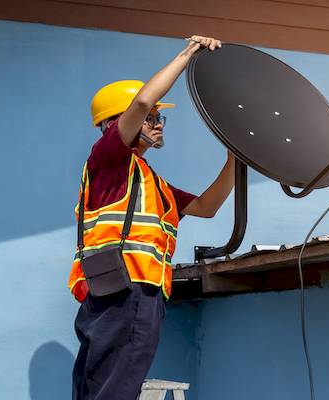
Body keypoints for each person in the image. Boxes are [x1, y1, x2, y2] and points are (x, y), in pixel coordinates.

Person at [69, 35, 231, 400]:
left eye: (160, 117)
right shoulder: (108, 160)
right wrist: (188, 54)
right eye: (152, 117)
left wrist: (233, 161)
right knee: (114, 388)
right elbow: (142, 100)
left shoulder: (149, 180)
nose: (158, 122)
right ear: (117, 123)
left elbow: (207, 207)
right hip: (126, 290)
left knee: (100, 386)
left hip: (126, 290)